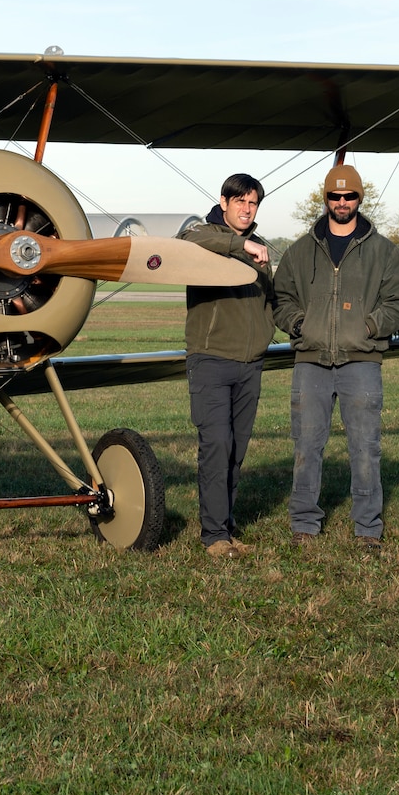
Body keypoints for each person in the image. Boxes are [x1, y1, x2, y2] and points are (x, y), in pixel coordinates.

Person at [274, 164, 399, 552]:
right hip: (310, 361)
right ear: (326, 199)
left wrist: (371, 326)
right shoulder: (302, 250)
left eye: (348, 196)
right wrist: (300, 324)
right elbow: (280, 297)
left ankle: (368, 528)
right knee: (306, 446)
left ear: (359, 199)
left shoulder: (382, 250)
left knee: (365, 448)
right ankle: (304, 522)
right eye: (335, 196)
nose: (341, 202)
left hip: (362, 363)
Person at [179, 174, 276, 558]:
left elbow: (273, 301)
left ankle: (227, 526)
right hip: (211, 361)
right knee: (216, 445)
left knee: (236, 450)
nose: (246, 209)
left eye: (253, 204)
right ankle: (214, 536)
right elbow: (185, 242)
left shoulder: (261, 248)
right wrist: (241, 244)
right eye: (240, 202)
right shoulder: (203, 237)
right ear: (224, 202)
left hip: (250, 364)